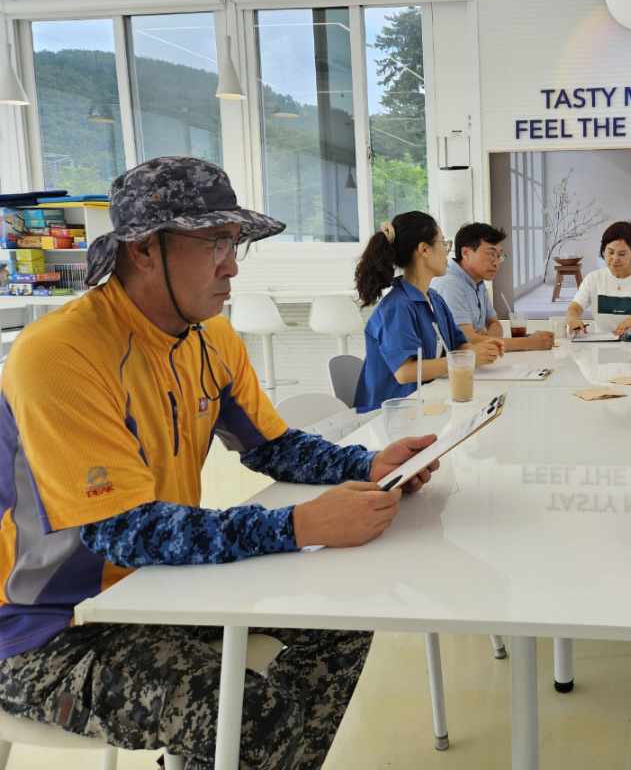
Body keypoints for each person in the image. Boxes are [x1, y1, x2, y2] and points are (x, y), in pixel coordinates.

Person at [0, 157, 442, 769]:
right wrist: (298, 526)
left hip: (165, 588)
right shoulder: (59, 355)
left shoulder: (210, 338)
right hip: (45, 630)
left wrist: (367, 465)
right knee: (250, 715)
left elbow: (272, 446)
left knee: (343, 619)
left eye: (234, 244)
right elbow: (123, 531)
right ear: (143, 250)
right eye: (214, 243)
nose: (231, 265)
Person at [353, 211, 502, 411]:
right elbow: (405, 372)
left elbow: (458, 346)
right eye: (443, 244)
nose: (447, 252)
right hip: (390, 414)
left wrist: (482, 348)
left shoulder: (435, 299)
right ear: (424, 249)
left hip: (426, 404)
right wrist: (469, 358)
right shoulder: (397, 307)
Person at [430, 221, 554, 350]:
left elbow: (495, 324)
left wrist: (486, 339)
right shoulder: (450, 284)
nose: (496, 263)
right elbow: (466, 341)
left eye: (499, 255)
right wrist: (529, 343)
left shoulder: (477, 280)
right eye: (490, 254)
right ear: (465, 253)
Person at [566, 220, 631, 337]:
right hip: (601, 344)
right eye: (610, 252)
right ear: (603, 251)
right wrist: (573, 319)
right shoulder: (593, 279)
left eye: (622, 254)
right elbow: (574, 308)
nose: (615, 259)